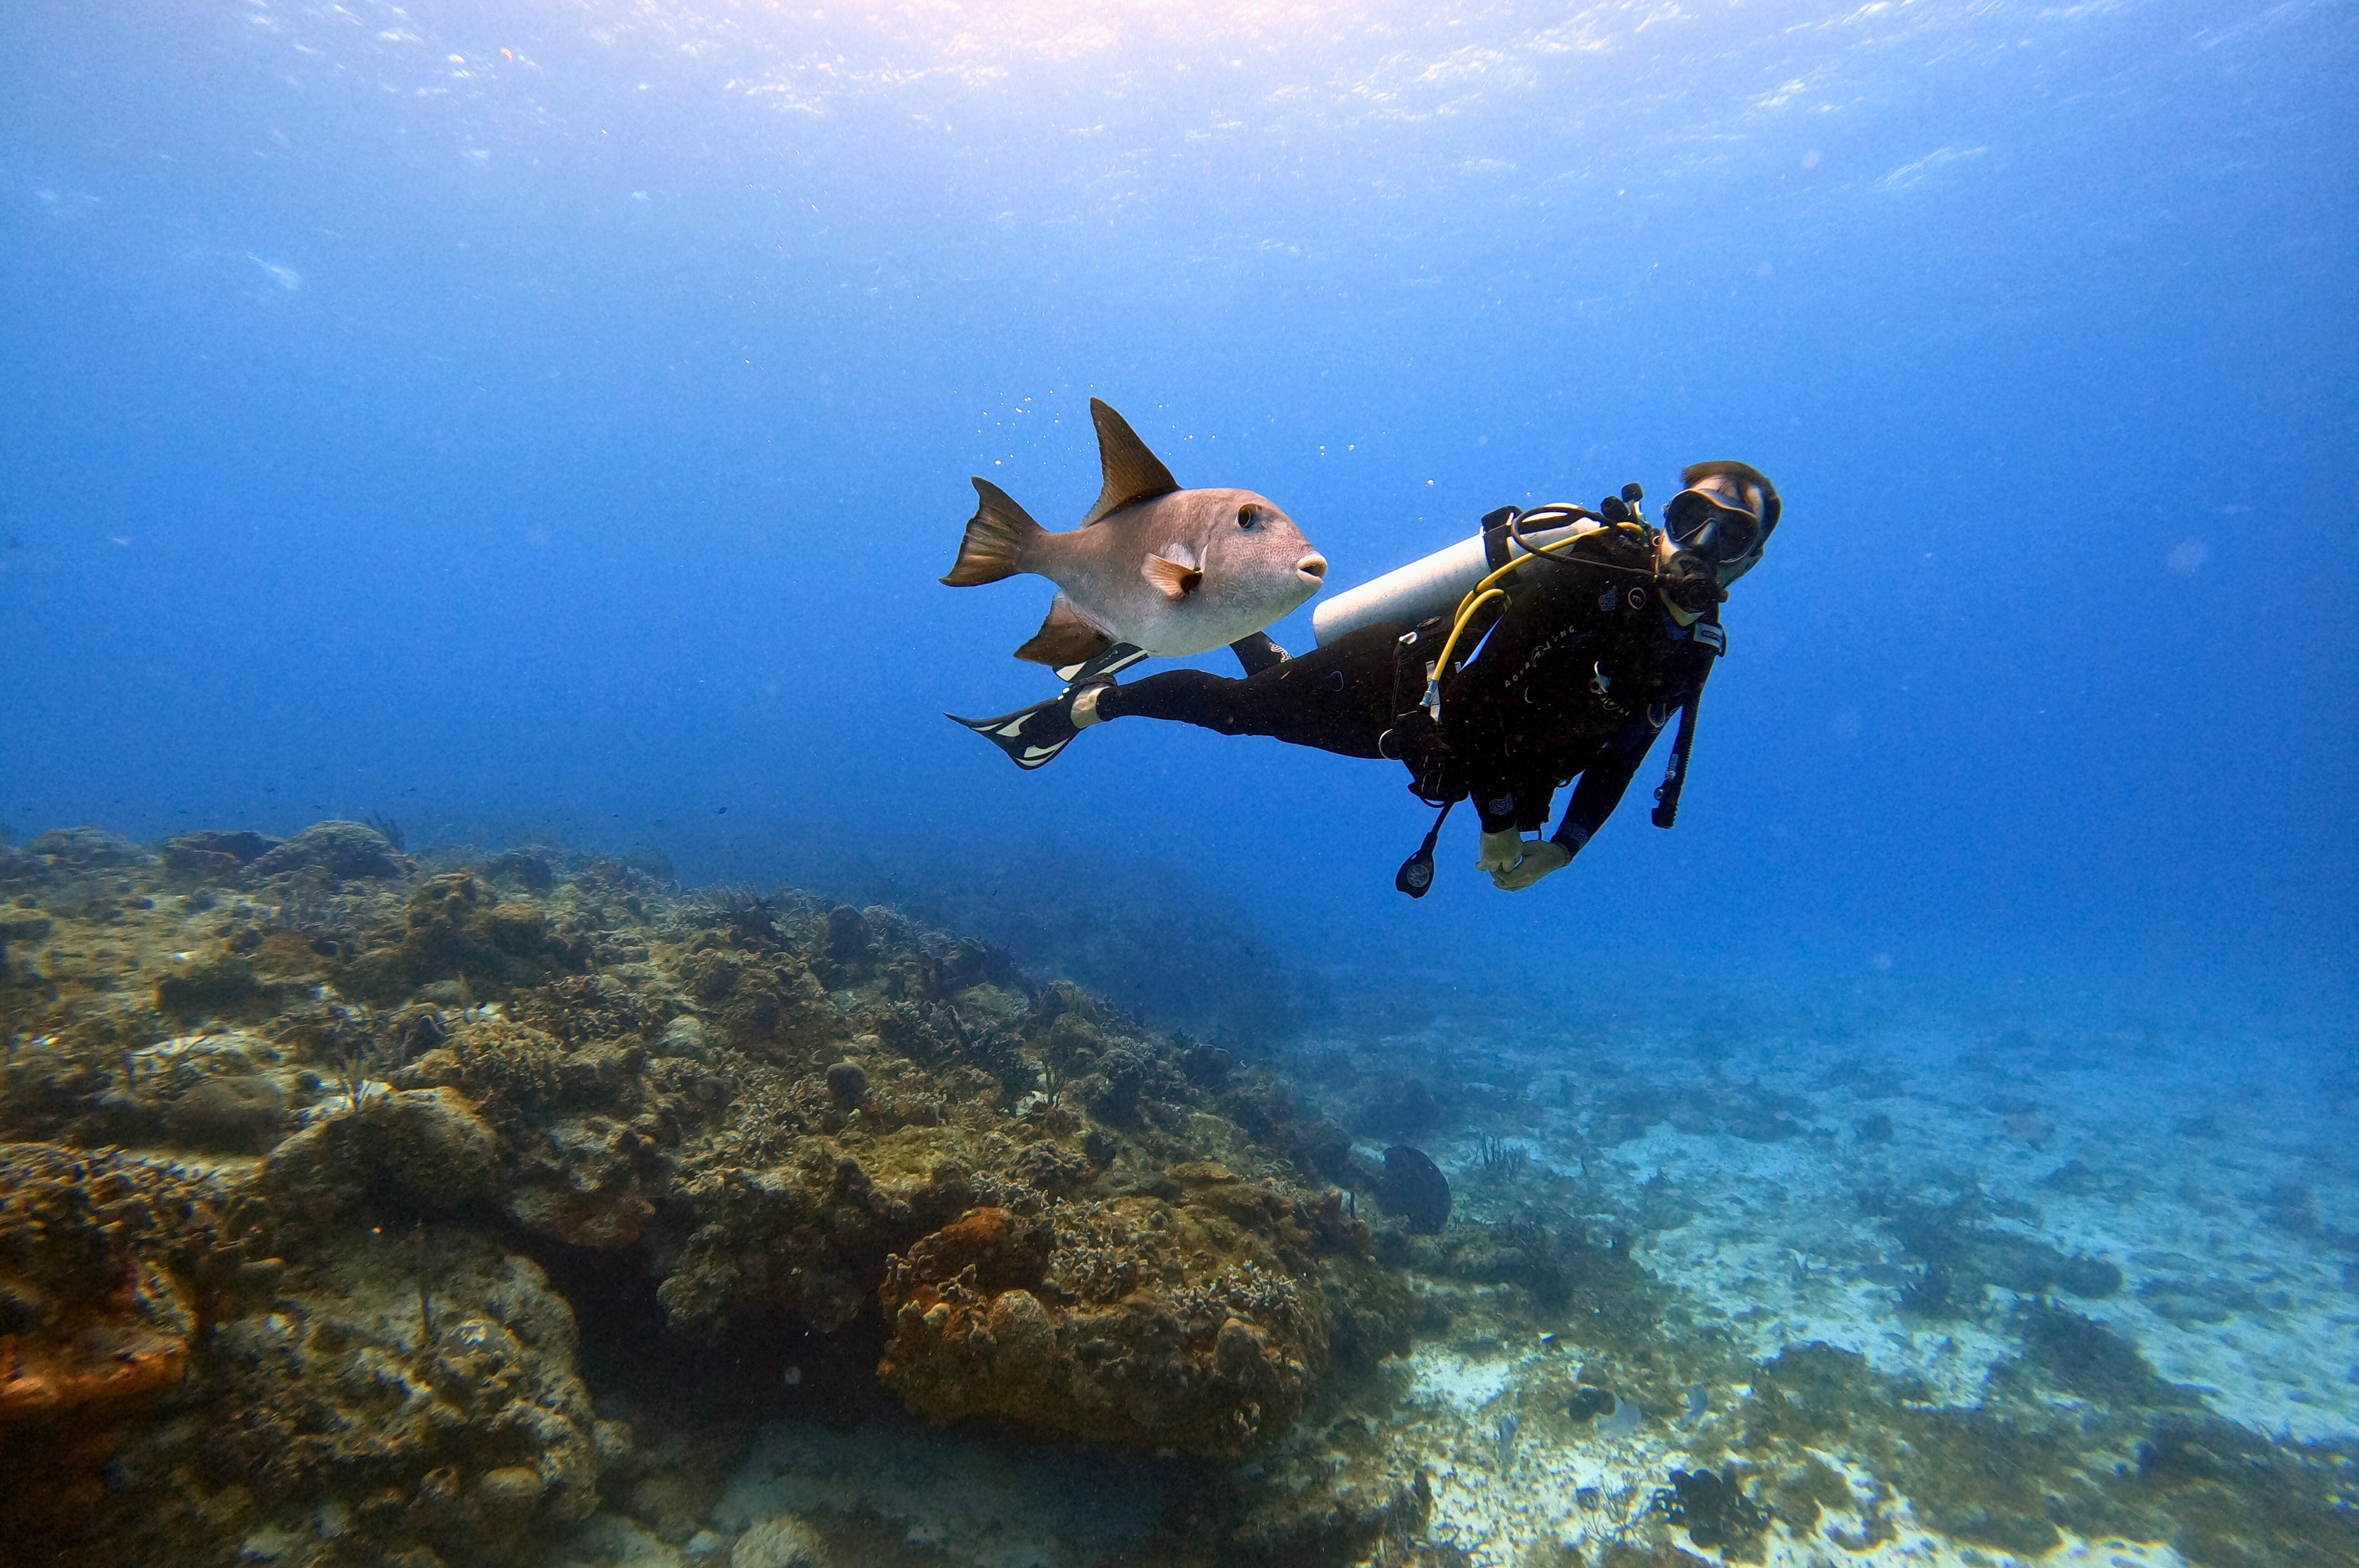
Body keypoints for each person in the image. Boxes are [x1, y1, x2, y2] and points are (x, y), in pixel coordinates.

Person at [950, 462, 1780, 892]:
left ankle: (1243, 624)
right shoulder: (1586, 574)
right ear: (1663, 522)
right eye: (1688, 518)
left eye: (1730, 535)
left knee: (1274, 692)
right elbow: (1480, 697)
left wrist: (1565, 844)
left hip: (1431, 749)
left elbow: (1627, 747)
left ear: (1751, 560)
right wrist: (1500, 819)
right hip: (1388, 682)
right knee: (1243, 712)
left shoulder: (1691, 646)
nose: (1701, 545)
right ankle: (1095, 703)